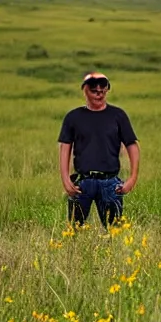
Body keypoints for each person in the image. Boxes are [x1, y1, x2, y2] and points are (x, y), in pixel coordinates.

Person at [59, 71, 140, 228]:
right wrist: (65, 180)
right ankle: (75, 253)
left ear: (107, 90)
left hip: (110, 183)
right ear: (85, 90)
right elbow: (65, 147)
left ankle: (113, 252)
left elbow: (132, 145)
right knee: (74, 230)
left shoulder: (118, 115)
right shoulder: (73, 117)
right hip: (82, 183)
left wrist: (132, 178)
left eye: (102, 89)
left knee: (114, 231)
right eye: (94, 90)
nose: (98, 92)